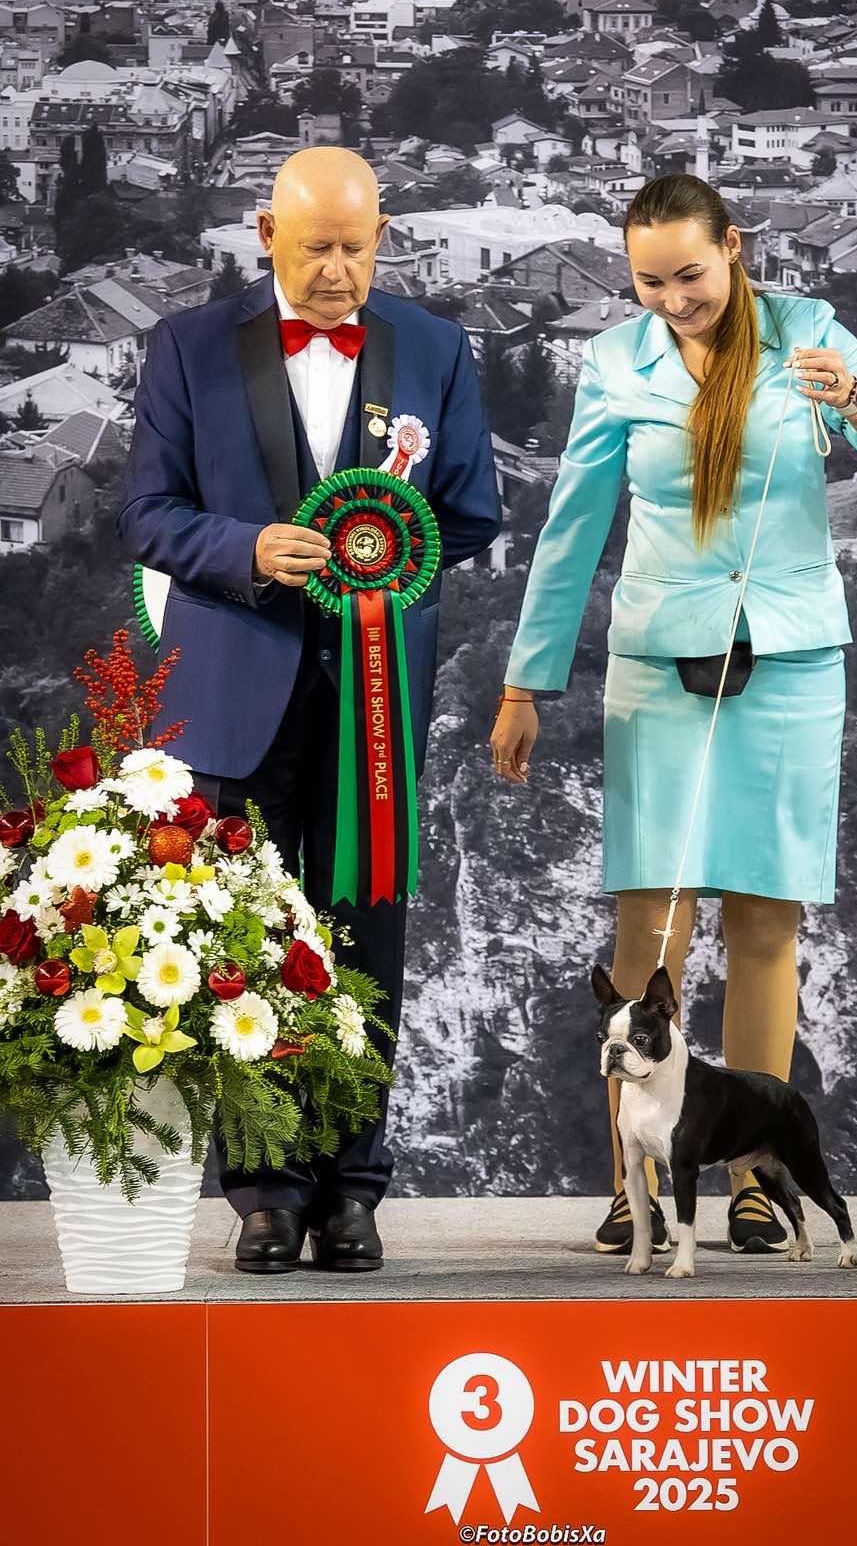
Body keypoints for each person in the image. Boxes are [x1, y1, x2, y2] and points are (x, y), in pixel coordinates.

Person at [490, 174, 857, 1258]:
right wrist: (526, 683)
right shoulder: (614, 361)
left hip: (790, 658)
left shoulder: (813, 334)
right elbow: (570, 528)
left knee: (764, 922)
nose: (670, 298)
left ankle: (754, 1180)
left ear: (733, 248)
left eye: (689, 274)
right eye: (648, 280)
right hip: (658, 660)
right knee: (651, 926)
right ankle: (636, 1190)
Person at [119, 147, 501, 1273]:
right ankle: (264, 1192)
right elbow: (148, 514)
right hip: (231, 691)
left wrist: (388, 551)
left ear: (384, 233)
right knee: (246, 948)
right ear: (262, 232)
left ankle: (354, 1189)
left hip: (375, 698)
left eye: (357, 246)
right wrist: (248, 548)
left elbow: (470, 511)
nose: (338, 273)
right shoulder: (187, 345)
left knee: (363, 942)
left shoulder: (435, 348)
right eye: (314, 248)